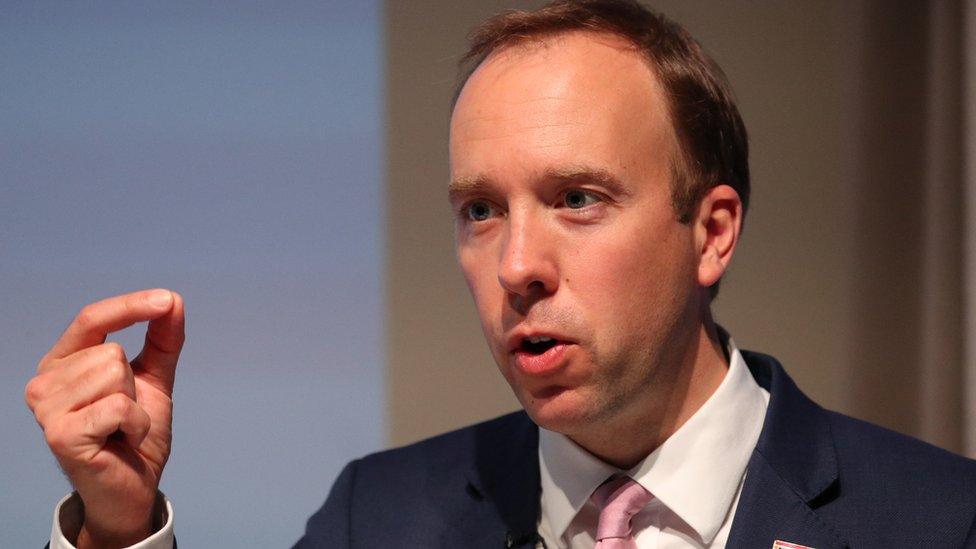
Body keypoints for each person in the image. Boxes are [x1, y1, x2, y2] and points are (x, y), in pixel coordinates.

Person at [26, 1, 976, 547]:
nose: (516, 265)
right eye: (482, 210)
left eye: (579, 199)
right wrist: (118, 528)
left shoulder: (940, 519)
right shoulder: (381, 517)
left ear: (712, 232)